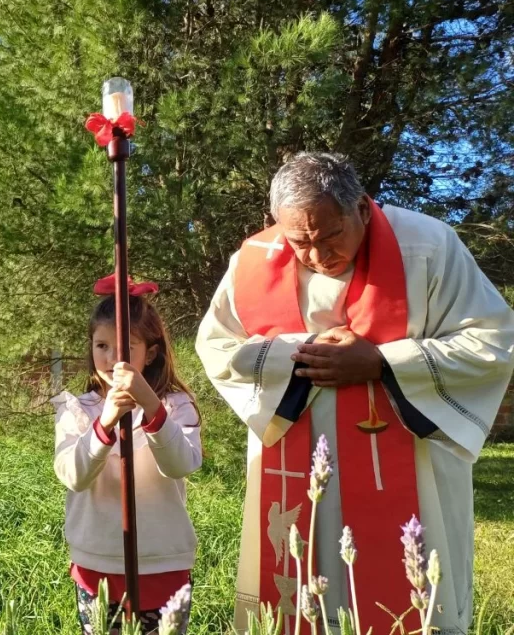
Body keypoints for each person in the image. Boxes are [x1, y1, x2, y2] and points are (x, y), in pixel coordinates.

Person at [195, 152, 514, 634]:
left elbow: (491, 341)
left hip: (409, 459)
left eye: (330, 236)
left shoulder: (427, 247)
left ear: (363, 208)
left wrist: (383, 362)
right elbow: (217, 346)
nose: (318, 256)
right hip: (298, 466)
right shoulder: (253, 261)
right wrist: (299, 354)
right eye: (300, 242)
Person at [53, 275, 202, 635]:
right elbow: (73, 475)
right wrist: (105, 422)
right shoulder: (78, 409)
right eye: (101, 345)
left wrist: (149, 406)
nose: (110, 358)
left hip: (160, 563)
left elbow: (180, 463)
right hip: (97, 561)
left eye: (125, 347)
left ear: (149, 352)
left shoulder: (175, 405)